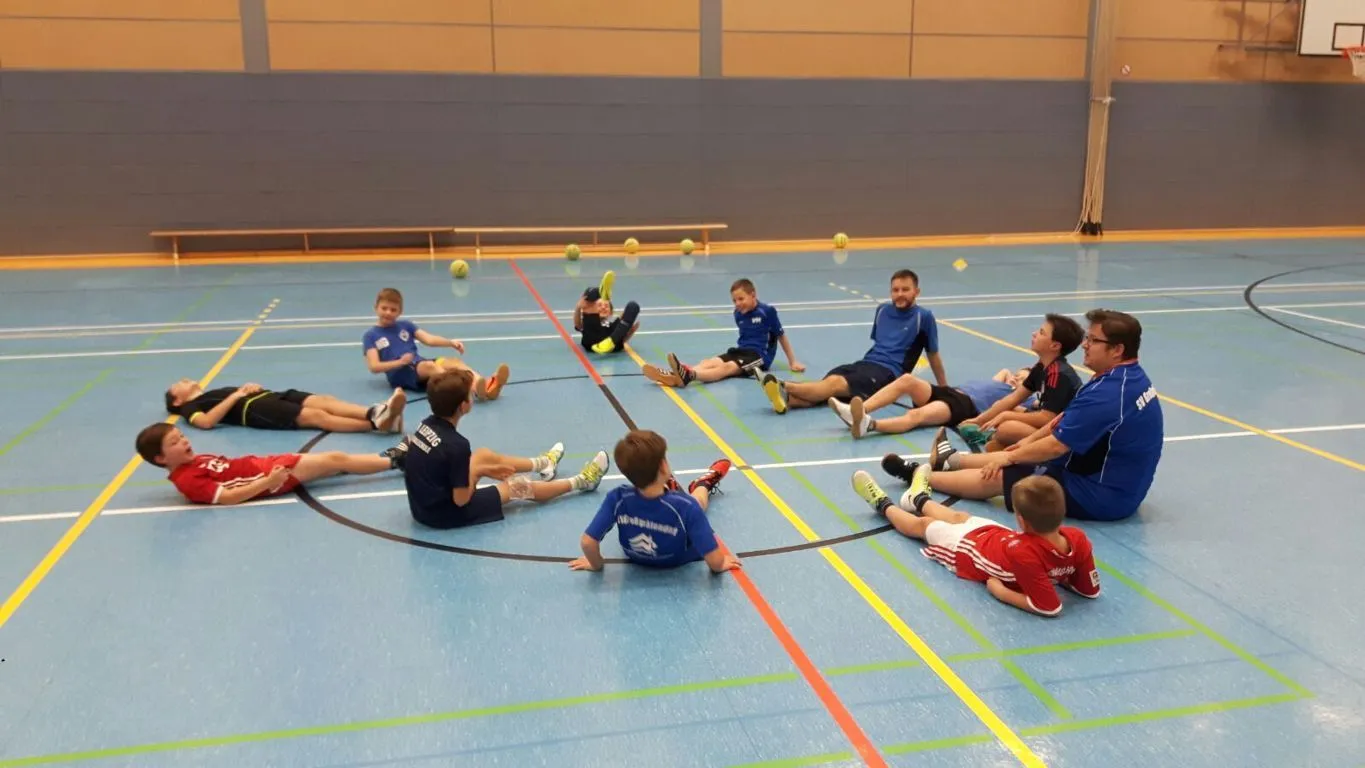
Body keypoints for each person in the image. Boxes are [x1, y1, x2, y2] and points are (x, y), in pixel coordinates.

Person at [886, 309, 1163, 522]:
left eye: (1093, 340)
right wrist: (1022, 446)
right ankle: (951, 461)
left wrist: (1010, 457)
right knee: (1020, 451)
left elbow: (1055, 445)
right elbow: (1061, 420)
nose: (1085, 345)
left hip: (1102, 495)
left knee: (1011, 472)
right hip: (1109, 478)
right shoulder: (1124, 377)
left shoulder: (1110, 393)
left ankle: (920, 475)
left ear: (1117, 350)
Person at [850, 465, 1100, 616]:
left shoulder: (1025, 554)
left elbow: (1049, 607)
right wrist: (1061, 572)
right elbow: (1089, 590)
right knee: (959, 516)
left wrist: (999, 591)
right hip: (998, 536)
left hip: (967, 550)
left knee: (924, 526)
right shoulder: (1078, 538)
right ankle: (917, 498)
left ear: (1022, 521)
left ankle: (882, 503)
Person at [399, 369, 610, 529]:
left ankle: (544, 463)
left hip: (420, 506)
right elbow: (461, 500)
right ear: (463, 406)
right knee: (516, 487)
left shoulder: (425, 425)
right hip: (442, 515)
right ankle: (582, 481)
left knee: (482, 455)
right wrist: (478, 472)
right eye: (470, 395)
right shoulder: (456, 445)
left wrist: (480, 467)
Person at [831, 313, 1083, 442]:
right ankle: (857, 411)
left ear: (1055, 346)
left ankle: (869, 425)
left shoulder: (1057, 375)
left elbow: (1042, 415)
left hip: (964, 405)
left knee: (917, 415)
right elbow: (1009, 399)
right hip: (955, 392)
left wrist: (986, 417)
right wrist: (986, 417)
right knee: (907, 380)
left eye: (1042, 332)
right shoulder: (1040, 368)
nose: (1034, 333)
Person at [759, 270, 946, 413]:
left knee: (833, 385)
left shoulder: (923, 317)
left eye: (905, 289)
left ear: (917, 291)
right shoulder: (882, 310)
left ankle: (783, 385)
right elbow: (879, 344)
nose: (899, 294)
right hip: (865, 363)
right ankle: (788, 400)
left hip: (888, 374)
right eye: (895, 290)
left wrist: (943, 389)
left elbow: (933, 355)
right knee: (830, 386)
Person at [571, 430, 738, 573]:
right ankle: (703, 484)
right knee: (698, 502)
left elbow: (587, 542)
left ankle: (668, 485)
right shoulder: (687, 506)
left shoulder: (617, 498)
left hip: (635, 556)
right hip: (678, 559)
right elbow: (714, 561)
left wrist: (596, 564)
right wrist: (720, 564)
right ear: (664, 466)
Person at [134, 422, 405, 506]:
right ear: (161, 459)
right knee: (333, 459)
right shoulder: (187, 481)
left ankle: (386, 458)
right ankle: (397, 461)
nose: (184, 441)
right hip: (269, 477)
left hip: (264, 466)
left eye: (181, 436)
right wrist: (268, 481)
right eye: (174, 443)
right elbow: (228, 497)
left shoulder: (192, 462)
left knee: (332, 464)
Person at [644, 278, 804, 387]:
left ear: (753, 295)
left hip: (759, 357)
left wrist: (793, 362)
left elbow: (781, 335)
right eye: (734, 300)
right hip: (740, 351)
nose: (737, 304)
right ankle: (677, 375)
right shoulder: (738, 314)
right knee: (708, 362)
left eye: (741, 299)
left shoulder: (767, 311)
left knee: (727, 368)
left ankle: (690, 375)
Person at [362, 287, 509, 399]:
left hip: (418, 365)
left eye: (393, 310)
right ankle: (473, 390)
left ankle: (488, 387)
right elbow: (374, 366)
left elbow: (429, 340)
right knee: (430, 366)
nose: (388, 312)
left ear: (400, 312)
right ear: (376, 308)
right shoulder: (371, 335)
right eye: (384, 308)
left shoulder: (406, 325)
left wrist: (450, 342)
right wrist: (400, 362)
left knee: (454, 363)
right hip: (401, 373)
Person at [164, 379, 406, 434]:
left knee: (324, 400)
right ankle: (376, 425)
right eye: (179, 384)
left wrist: (248, 387)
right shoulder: (189, 407)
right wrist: (237, 395)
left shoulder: (209, 393)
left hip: (268, 396)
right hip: (255, 411)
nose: (183, 380)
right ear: (177, 401)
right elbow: (206, 422)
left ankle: (375, 413)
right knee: (317, 416)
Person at [574, 270, 640, 355]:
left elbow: (622, 339)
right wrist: (578, 307)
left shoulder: (612, 326)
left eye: (606, 306)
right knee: (591, 293)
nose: (603, 307)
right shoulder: (588, 322)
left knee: (633, 306)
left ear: (610, 312)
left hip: (612, 344)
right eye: (600, 305)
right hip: (592, 342)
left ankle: (610, 342)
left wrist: (630, 331)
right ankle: (602, 293)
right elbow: (578, 325)